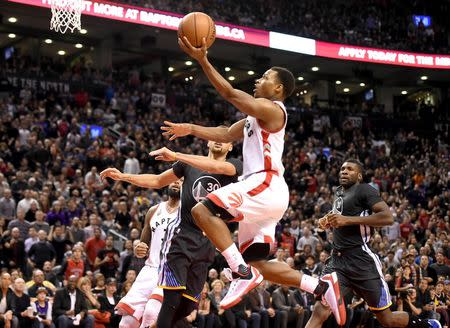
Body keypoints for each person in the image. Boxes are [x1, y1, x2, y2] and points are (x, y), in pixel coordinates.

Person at [162, 35, 345, 325]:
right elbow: (224, 133)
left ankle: (239, 271)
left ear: (278, 88)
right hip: (265, 192)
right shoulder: (252, 119)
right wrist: (191, 129)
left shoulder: (274, 110)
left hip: (264, 183)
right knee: (261, 263)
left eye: (264, 77)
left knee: (201, 211)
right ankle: (320, 286)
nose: (257, 80)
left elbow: (232, 95)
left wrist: (202, 60)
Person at [100, 139, 242, 328]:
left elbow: (217, 167)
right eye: (214, 137)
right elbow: (158, 180)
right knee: (163, 304)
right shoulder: (187, 166)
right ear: (207, 142)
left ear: (230, 146)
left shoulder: (235, 166)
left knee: (188, 305)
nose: (218, 141)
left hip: (206, 244)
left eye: (224, 140)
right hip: (181, 241)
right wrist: (124, 177)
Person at [305, 159, 442, 328]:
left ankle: (426, 325)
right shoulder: (339, 192)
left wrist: (346, 220)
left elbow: (387, 217)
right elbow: (341, 216)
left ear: (359, 175)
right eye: (342, 169)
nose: (344, 171)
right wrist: (328, 219)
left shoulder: (365, 190)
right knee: (319, 310)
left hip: (361, 261)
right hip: (337, 263)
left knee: (387, 319)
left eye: (349, 169)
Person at [114, 182, 181, 328]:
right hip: (150, 269)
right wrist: (139, 248)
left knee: (151, 313)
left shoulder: (189, 213)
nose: (176, 182)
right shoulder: (154, 210)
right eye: (174, 179)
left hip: (171, 271)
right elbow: (143, 244)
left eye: (182, 180)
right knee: (126, 323)